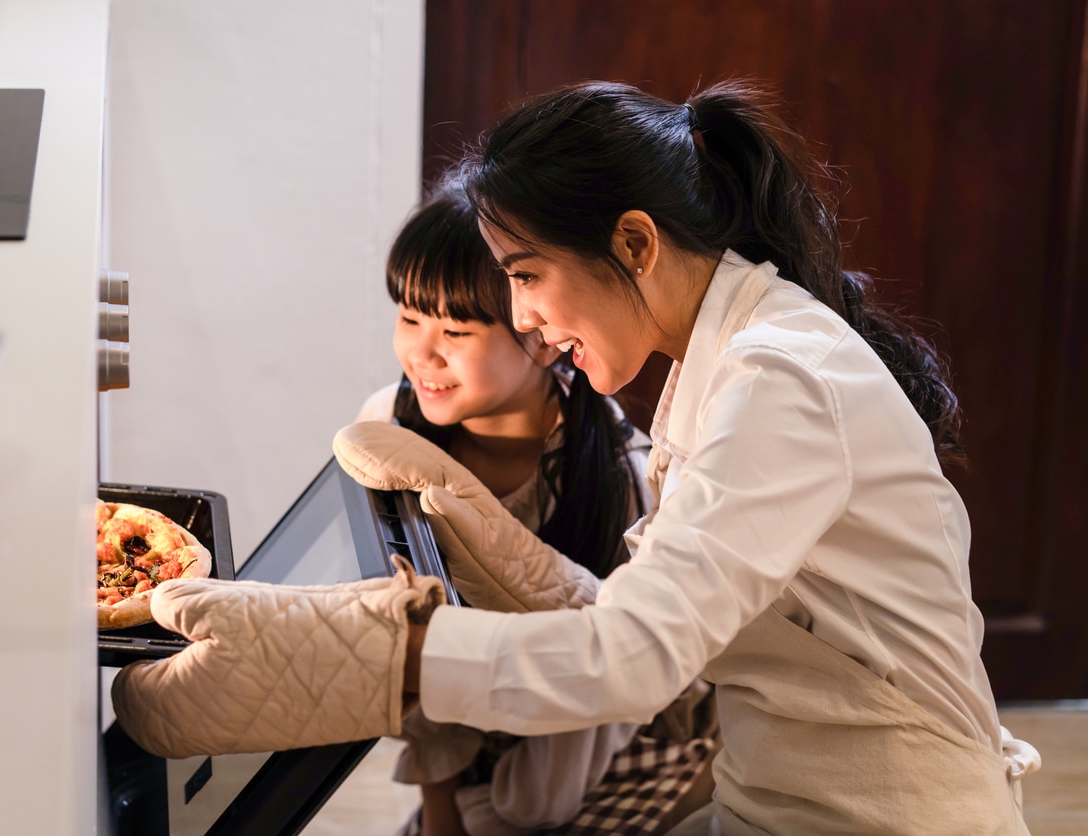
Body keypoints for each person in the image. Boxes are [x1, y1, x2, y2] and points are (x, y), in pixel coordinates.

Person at [112, 78, 1040, 834]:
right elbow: (658, 620)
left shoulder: (778, 383)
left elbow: (632, 661)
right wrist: (485, 536)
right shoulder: (724, 362)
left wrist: (377, 656)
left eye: (524, 276)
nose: (523, 320)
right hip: (771, 800)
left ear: (634, 243)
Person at [356, 181, 716, 834]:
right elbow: (410, 634)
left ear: (542, 335)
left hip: (616, 725)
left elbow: (615, 676)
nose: (422, 354)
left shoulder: (617, 472)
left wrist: (523, 808)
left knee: (526, 810)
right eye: (409, 318)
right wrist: (441, 810)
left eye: (457, 328)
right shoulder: (391, 429)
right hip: (483, 711)